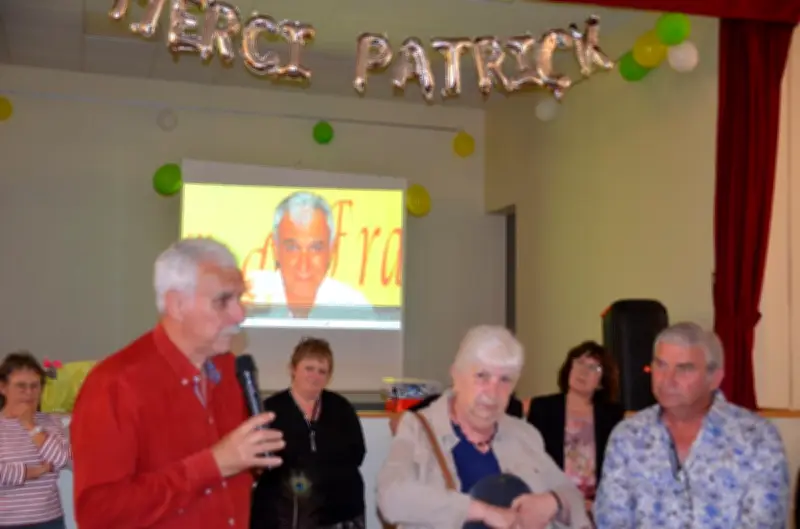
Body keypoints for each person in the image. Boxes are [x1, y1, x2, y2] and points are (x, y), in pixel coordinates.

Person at [70, 238, 286, 529]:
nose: (239, 314)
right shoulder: (115, 384)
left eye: (239, 298)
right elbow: (99, 514)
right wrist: (212, 465)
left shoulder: (228, 369)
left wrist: (252, 461)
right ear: (177, 305)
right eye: (223, 301)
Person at [377, 325, 591, 529]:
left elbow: (571, 494)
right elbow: (391, 497)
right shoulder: (417, 428)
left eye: (504, 380)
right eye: (482, 376)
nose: (493, 392)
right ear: (456, 375)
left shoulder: (525, 434)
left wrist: (553, 501)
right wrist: (482, 511)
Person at [594, 322, 790, 528]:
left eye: (684, 369)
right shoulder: (627, 436)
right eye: (660, 365)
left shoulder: (757, 438)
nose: (667, 379)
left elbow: (764, 522)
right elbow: (612, 520)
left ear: (714, 378)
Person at [251, 337, 366, 529]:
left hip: (339, 513)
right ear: (292, 369)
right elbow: (259, 462)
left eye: (322, 371)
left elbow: (357, 454)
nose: (315, 376)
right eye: (309, 368)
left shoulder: (341, 407)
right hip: (283, 515)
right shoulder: (270, 410)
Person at [246, 191, 375, 319]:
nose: (304, 265)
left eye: (315, 248)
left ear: (331, 251)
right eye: (292, 248)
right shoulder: (249, 297)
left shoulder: (355, 309)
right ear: (276, 251)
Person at [526, 341, 624, 508]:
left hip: (596, 505)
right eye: (579, 362)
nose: (583, 371)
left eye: (592, 367)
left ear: (601, 381)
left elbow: (616, 469)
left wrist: (597, 505)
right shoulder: (543, 407)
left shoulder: (611, 415)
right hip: (551, 502)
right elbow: (531, 461)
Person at [0, 352, 72, 529]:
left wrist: (31, 426)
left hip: (50, 521)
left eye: (35, 386)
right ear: (3, 387)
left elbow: (63, 459)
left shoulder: (52, 422)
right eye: (21, 386)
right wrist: (34, 471)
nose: (29, 393)